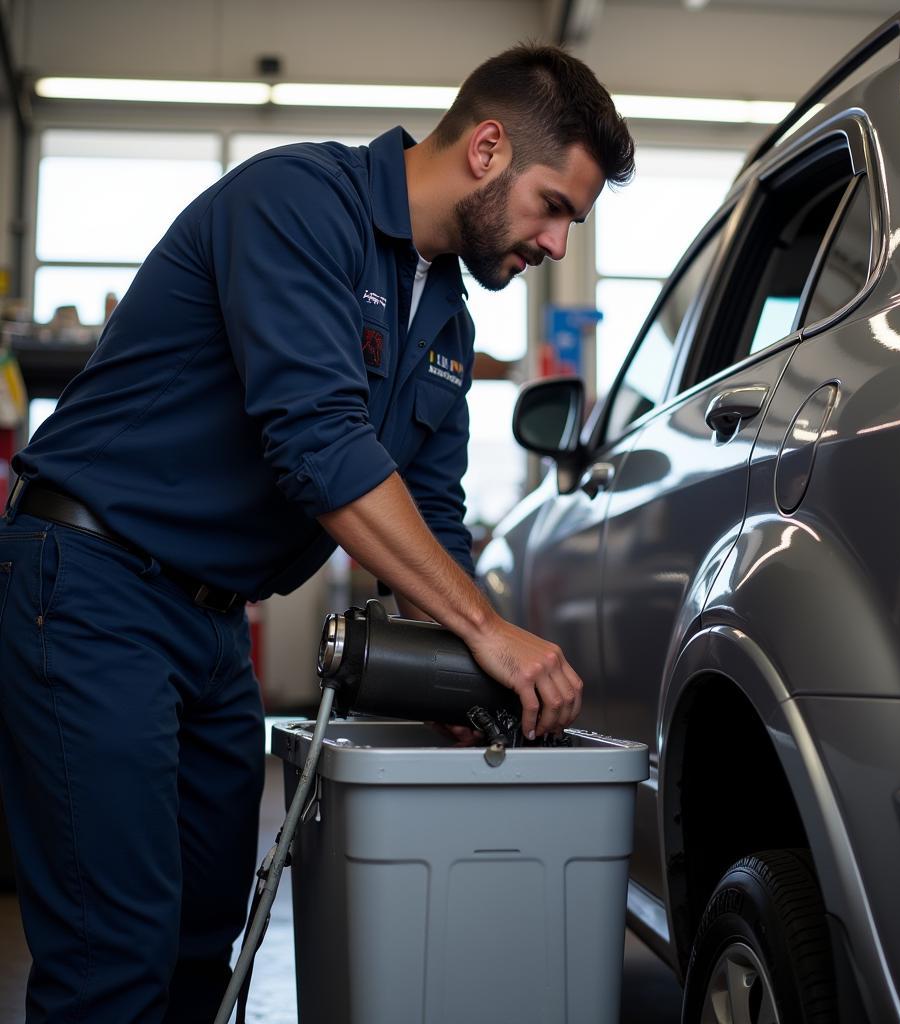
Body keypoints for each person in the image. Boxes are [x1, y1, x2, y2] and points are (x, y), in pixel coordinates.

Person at [0, 42, 635, 1024]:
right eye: (552, 205)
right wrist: (484, 630)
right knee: (114, 948)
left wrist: (463, 672)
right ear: (486, 148)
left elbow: (430, 516)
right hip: (90, 584)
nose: (556, 243)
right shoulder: (299, 203)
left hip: (210, 625)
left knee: (201, 938)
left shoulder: (448, 325)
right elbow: (317, 442)